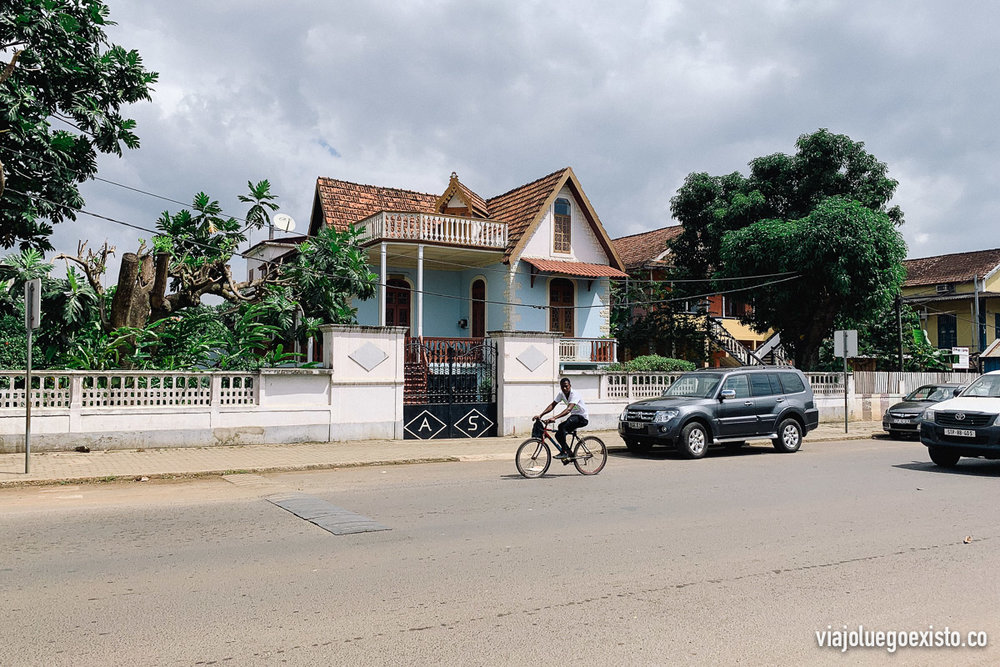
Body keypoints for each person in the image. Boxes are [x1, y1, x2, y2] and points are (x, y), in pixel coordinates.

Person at [533, 377, 589, 460]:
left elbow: (568, 409)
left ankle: (564, 452)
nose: (564, 388)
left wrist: (554, 417)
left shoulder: (575, 394)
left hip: (582, 418)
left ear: (570, 386)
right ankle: (569, 452)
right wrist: (541, 415)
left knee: (562, 427)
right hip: (574, 417)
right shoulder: (561, 394)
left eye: (566, 386)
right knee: (558, 434)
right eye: (562, 387)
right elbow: (552, 405)